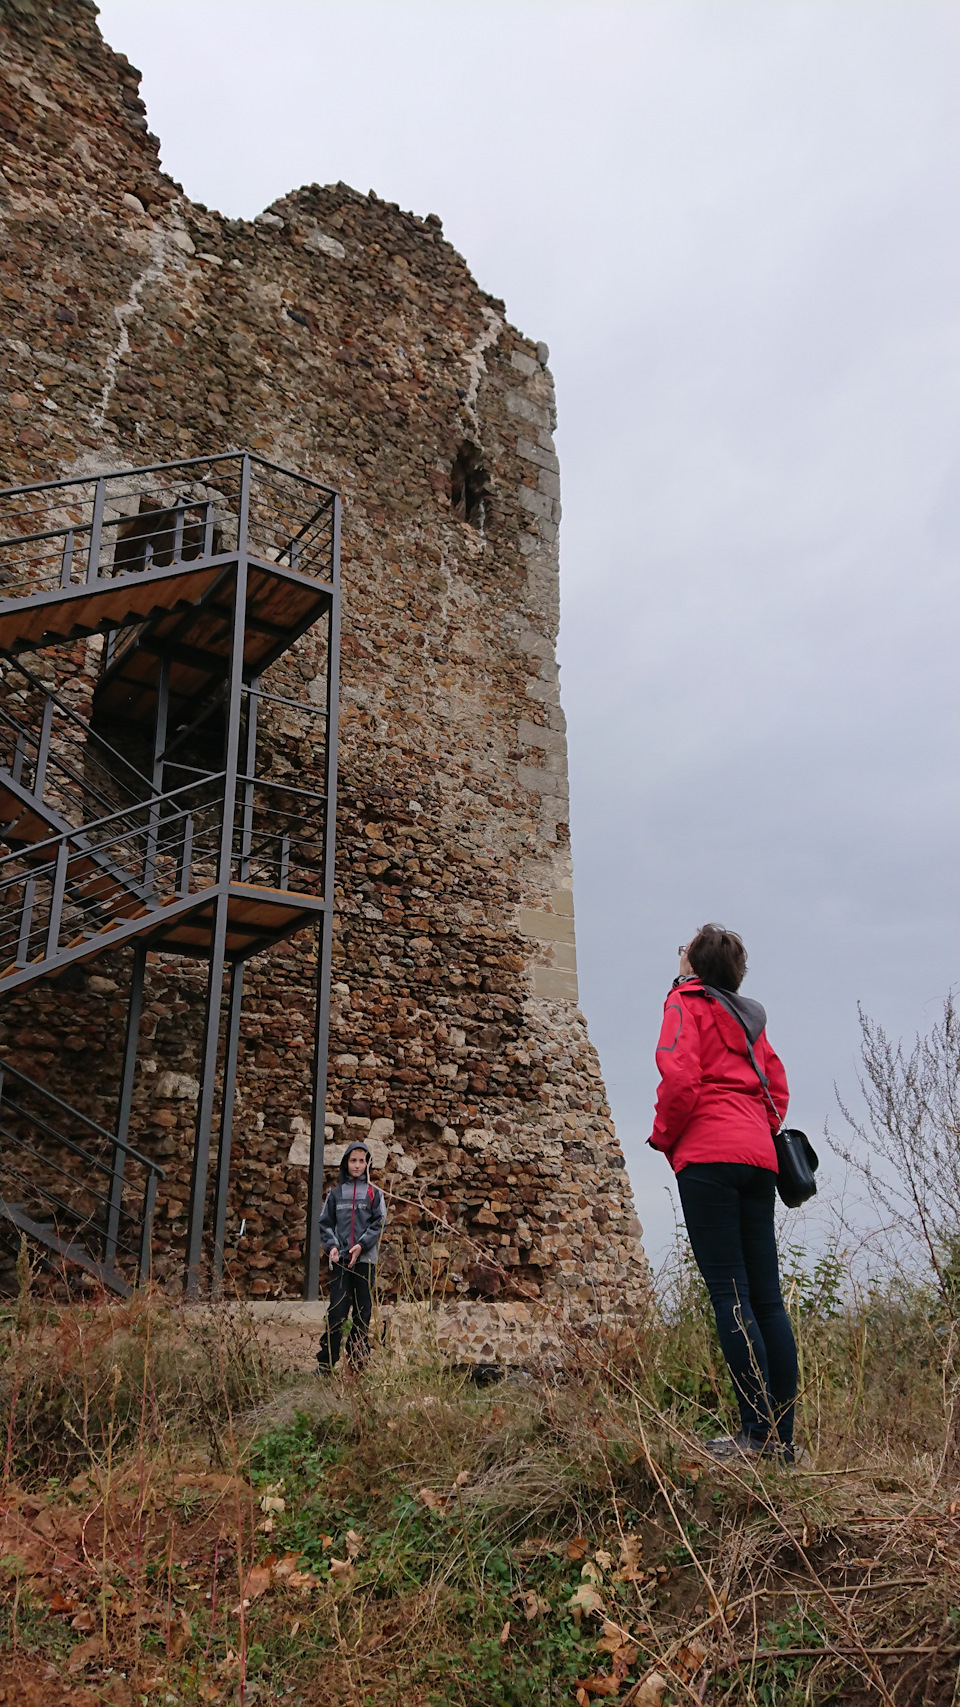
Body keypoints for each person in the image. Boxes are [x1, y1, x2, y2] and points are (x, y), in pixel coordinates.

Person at [648, 924, 799, 1462]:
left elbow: (680, 1077)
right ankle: (783, 1440)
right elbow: (776, 1089)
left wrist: (664, 1136)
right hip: (758, 1160)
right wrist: (756, 1130)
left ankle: (754, 1436)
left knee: (730, 1295)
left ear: (693, 964)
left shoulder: (684, 1001)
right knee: (767, 1299)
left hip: (709, 1158)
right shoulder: (750, 1015)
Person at [316, 1141, 387, 1372]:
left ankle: (357, 1364)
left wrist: (361, 1246)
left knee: (362, 1312)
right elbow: (325, 1224)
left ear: (368, 1164)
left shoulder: (374, 1193)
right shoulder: (335, 1194)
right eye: (353, 1160)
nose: (357, 1165)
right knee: (336, 1311)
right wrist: (333, 1247)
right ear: (345, 1164)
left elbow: (378, 1223)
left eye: (361, 1161)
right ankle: (326, 1364)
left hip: (365, 1261)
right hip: (341, 1262)